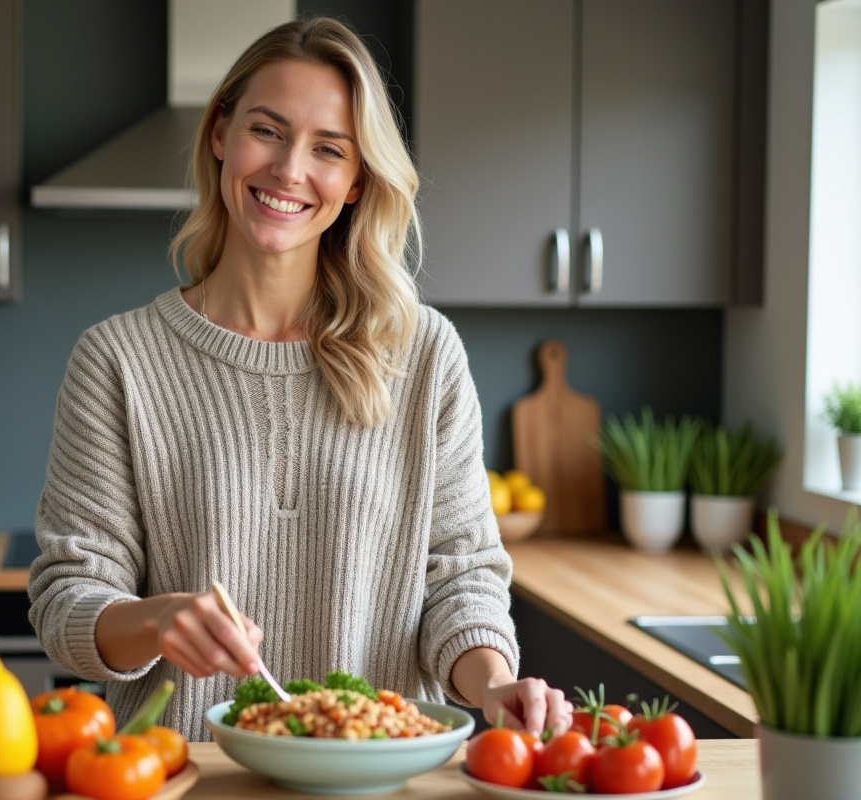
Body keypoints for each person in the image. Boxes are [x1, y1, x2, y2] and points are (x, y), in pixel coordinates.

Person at [28, 16, 573, 742]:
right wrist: (158, 621)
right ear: (220, 134)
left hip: (376, 773)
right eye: (267, 130)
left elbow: (462, 578)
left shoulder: (424, 354)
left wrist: (496, 685)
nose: (289, 170)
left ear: (355, 183)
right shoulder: (118, 360)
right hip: (189, 775)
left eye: (328, 149)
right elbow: (69, 601)